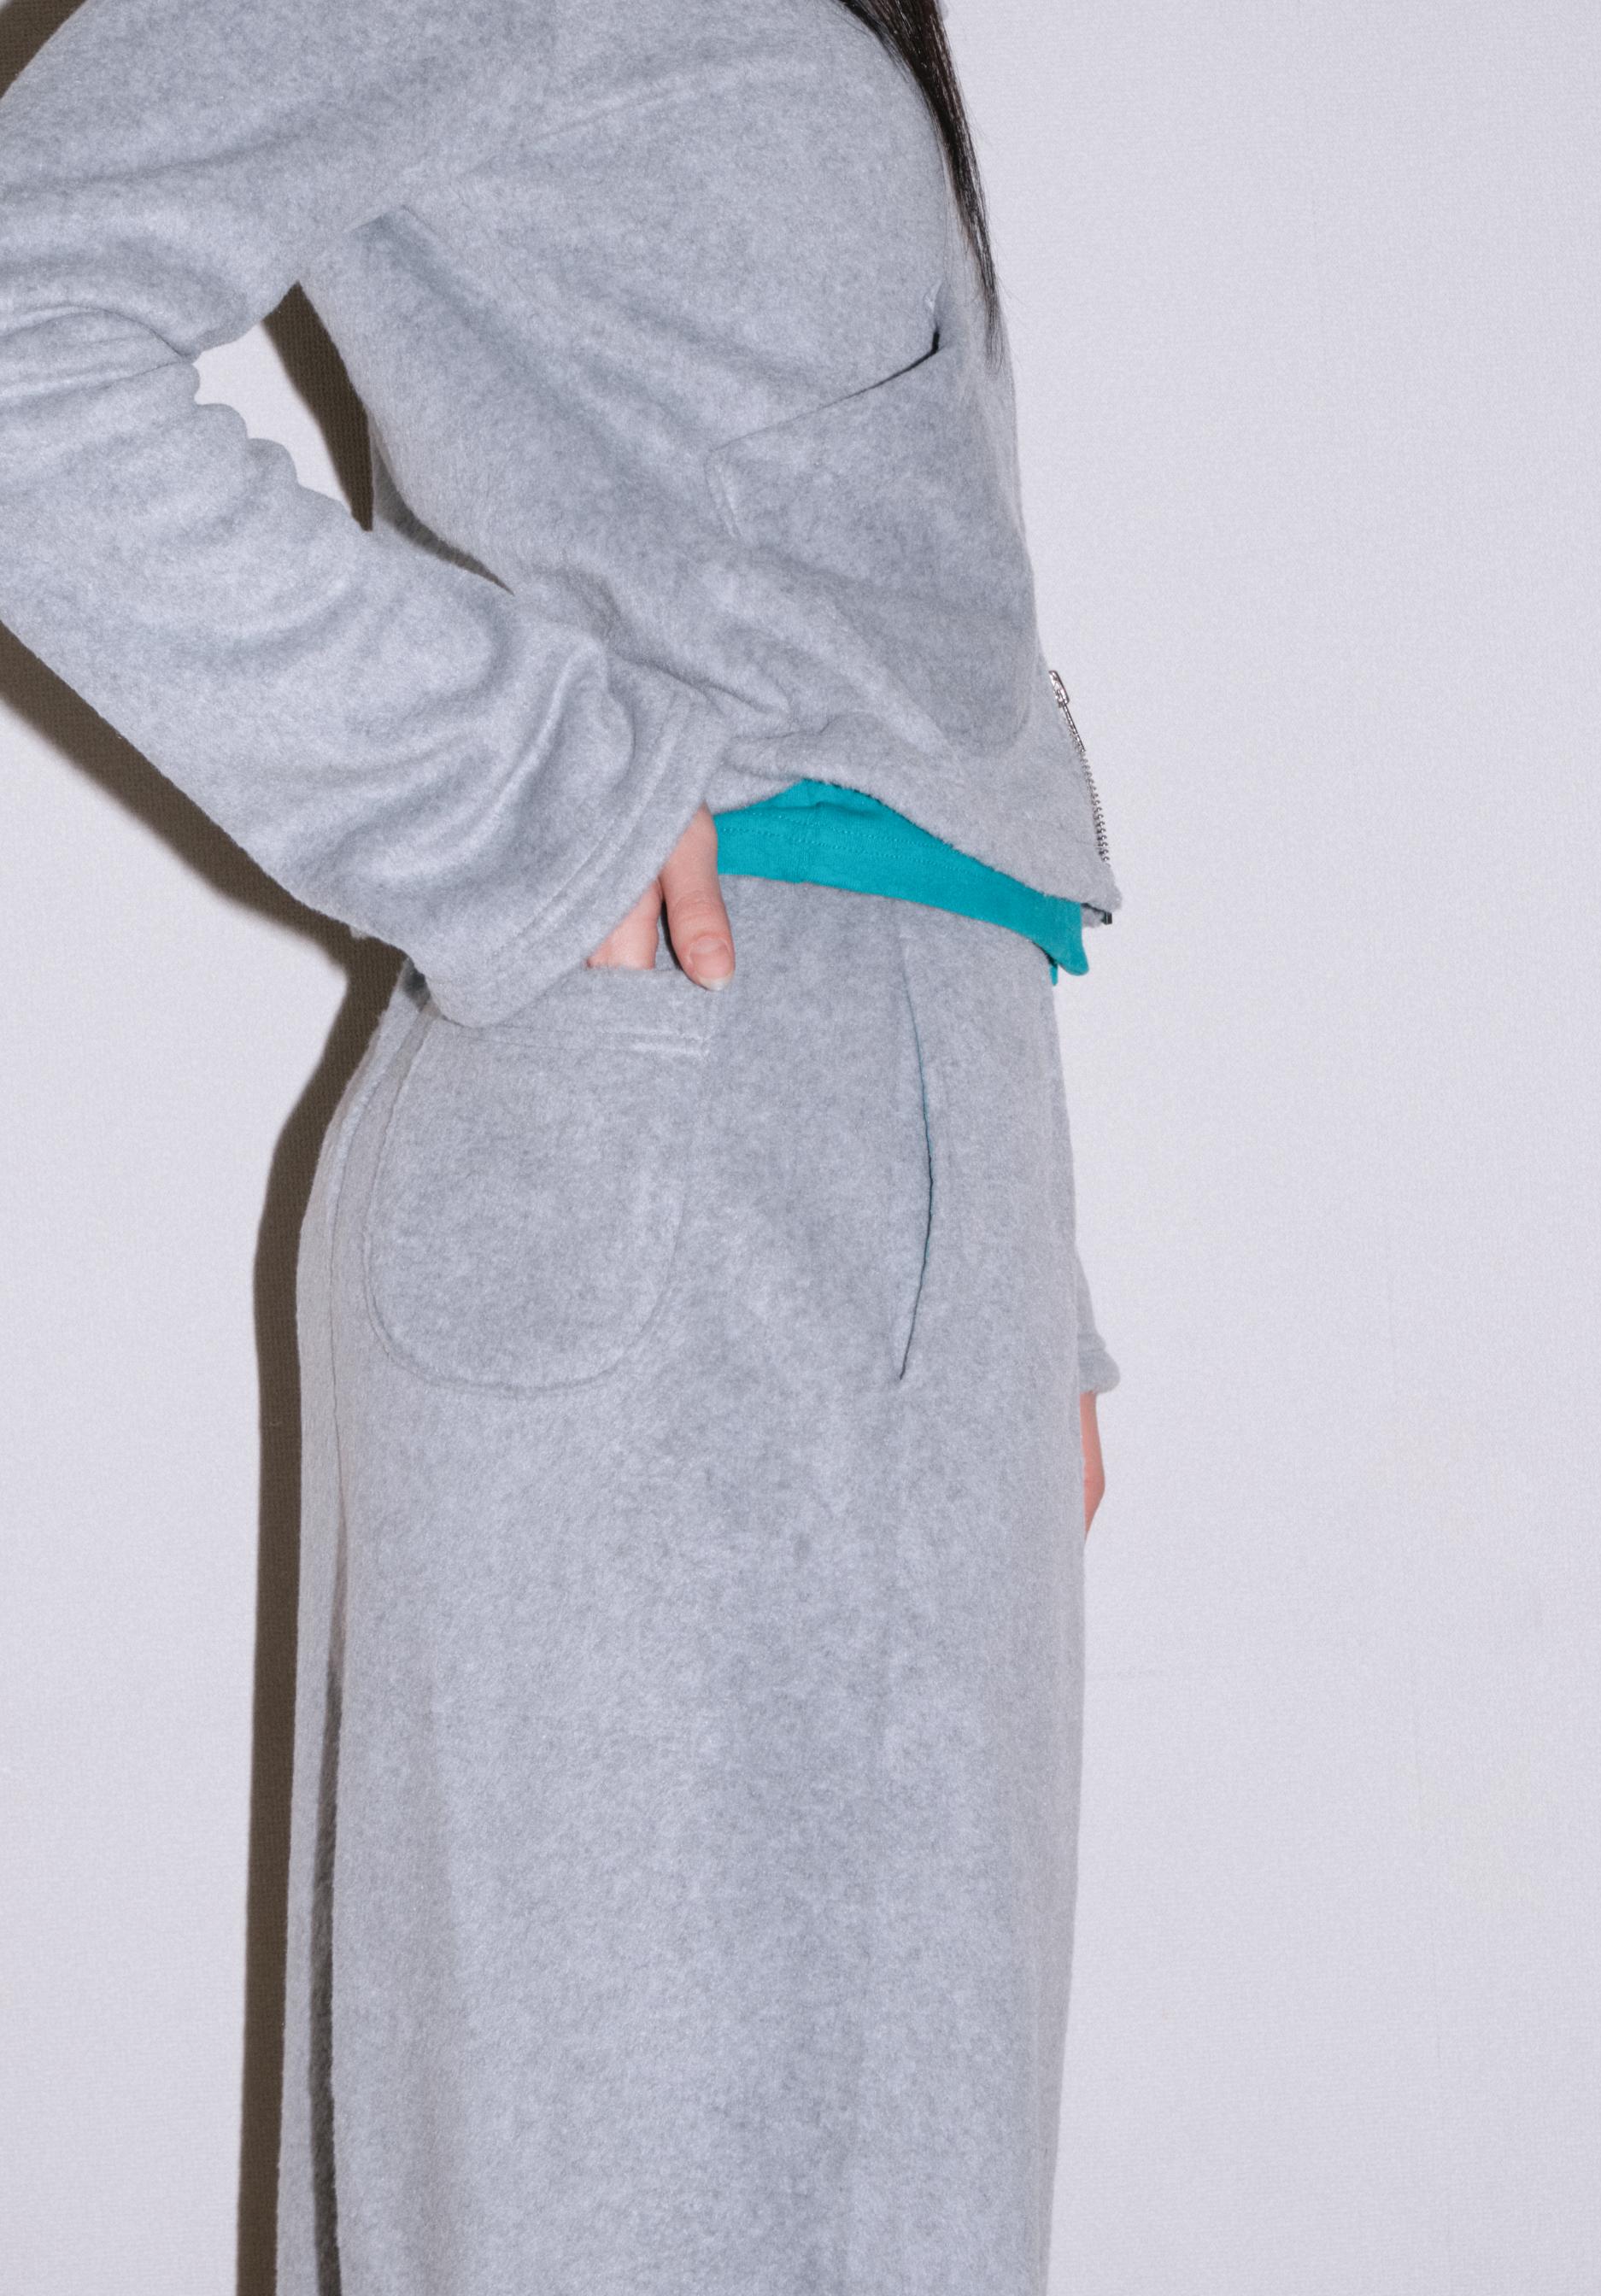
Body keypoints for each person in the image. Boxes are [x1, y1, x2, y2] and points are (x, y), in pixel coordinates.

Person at [0, 0, 1124, 2287]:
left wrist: (1026, 1275)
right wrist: (522, 789)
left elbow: (870, 619)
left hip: (866, 1142)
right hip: (697, 1140)